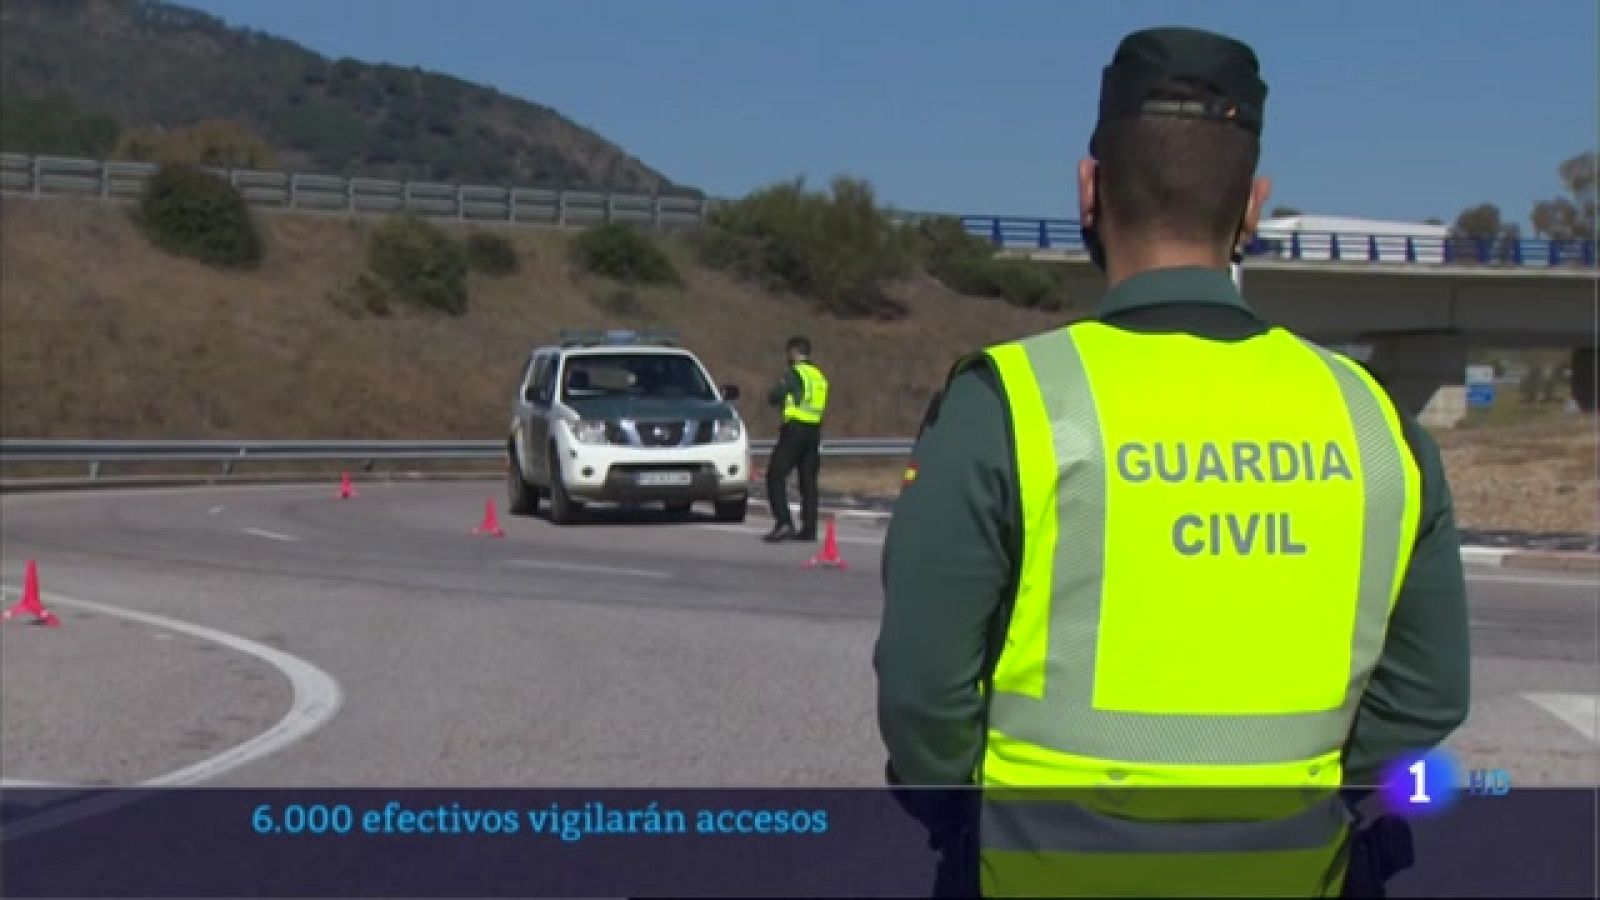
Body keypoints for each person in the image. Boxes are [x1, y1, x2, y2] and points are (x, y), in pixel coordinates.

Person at [873, 26, 1471, 898]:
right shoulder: (1374, 420)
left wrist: (970, 815)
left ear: (1089, 189)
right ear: (1254, 207)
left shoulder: (1009, 403)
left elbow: (923, 692)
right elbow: (1428, 693)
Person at [763, 335, 829, 542]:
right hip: (814, 431)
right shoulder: (819, 375)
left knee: (775, 475)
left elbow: (775, 396)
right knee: (808, 481)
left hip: (795, 430)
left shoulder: (794, 373)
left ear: (793, 352)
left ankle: (784, 522)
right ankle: (809, 528)